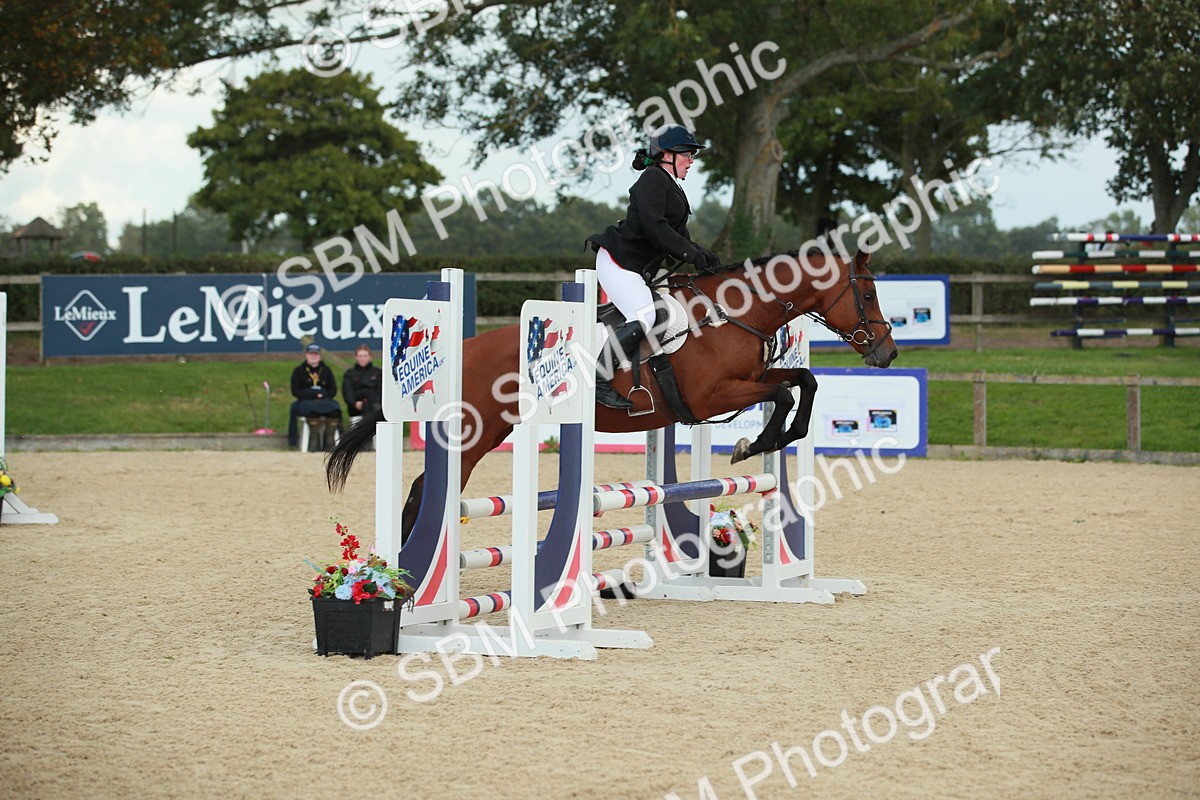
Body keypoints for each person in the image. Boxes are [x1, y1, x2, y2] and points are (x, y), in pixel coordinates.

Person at [585, 123, 720, 409]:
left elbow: (677, 233)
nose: (691, 161)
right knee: (645, 315)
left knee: (659, 312)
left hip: (634, 267)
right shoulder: (652, 179)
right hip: (618, 262)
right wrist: (691, 254)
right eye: (687, 154)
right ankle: (599, 379)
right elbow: (655, 228)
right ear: (667, 155)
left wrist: (702, 255)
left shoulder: (670, 185)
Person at [289, 343, 342, 451]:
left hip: (324, 400)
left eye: (316, 354)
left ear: (319, 356)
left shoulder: (326, 370)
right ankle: (314, 442)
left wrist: (323, 395)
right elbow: (295, 391)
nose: (313, 356)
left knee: (334, 409)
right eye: (311, 354)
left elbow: (333, 389)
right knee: (311, 410)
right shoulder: (299, 371)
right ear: (306, 355)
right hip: (306, 401)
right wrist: (312, 394)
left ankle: (330, 441)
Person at [342, 343, 383, 421]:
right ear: (356, 357)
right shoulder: (350, 373)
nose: (362, 358)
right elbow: (347, 391)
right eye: (360, 356)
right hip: (356, 408)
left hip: (374, 405)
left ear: (370, 357)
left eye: (365, 356)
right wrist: (354, 403)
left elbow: (380, 390)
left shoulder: (377, 372)